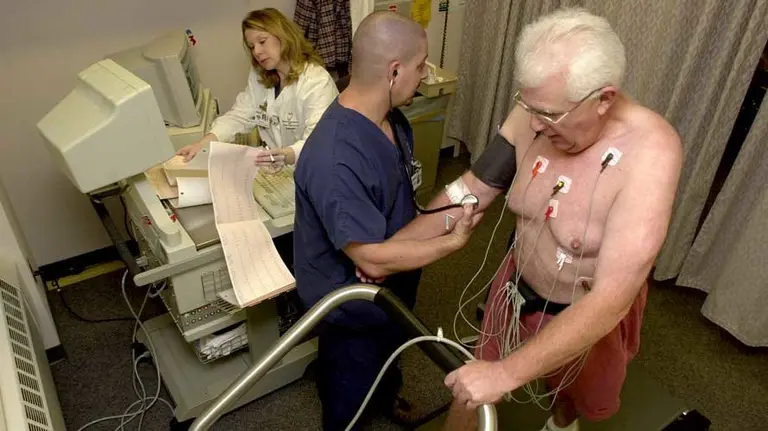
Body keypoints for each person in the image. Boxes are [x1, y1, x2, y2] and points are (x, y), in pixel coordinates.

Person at [391, 7, 683, 431]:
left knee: (572, 398)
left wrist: (506, 375)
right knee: (471, 391)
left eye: (549, 115)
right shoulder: (536, 111)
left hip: (585, 312)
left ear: (603, 99)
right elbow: (470, 189)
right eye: (527, 106)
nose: (533, 124)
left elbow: (611, 297)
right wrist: (390, 252)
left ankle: (560, 422)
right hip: (515, 290)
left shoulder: (651, 152)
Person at [292, 11, 483, 431]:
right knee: (349, 390)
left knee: (390, 350)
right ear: (394, 71)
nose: (425, 73)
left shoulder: (392, 120)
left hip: (395, 283)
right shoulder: (336, 156)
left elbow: (398, 199)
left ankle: (386, 390)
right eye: (421, 65)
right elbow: (373, 261)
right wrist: (450, 243)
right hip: (351, 303)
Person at [177, 8, 337, 170]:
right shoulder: (261, 75)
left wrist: (286, 155)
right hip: (277, 168)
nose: (257, 52)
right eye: (252, 47)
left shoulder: (316, 82)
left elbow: (319, 142)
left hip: (310, 169)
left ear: (284, 36)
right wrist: (202, 144)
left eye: (262, 41)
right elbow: (240, 116)